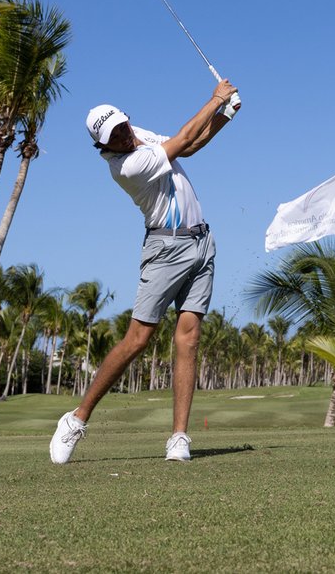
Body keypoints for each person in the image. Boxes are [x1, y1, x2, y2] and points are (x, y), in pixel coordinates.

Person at [50, 79, 240, 464]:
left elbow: (192, 143)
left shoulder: (139, 138)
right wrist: (215, 99)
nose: (124, 135)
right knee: (138, 339)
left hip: (202, 243)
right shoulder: (127, 166)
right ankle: (76, 419)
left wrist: (228, 112)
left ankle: (179, 438)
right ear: (102, 146)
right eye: (114, 135)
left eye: (123, 126)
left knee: (189, 338)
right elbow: (184, 136)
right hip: (166, 249)